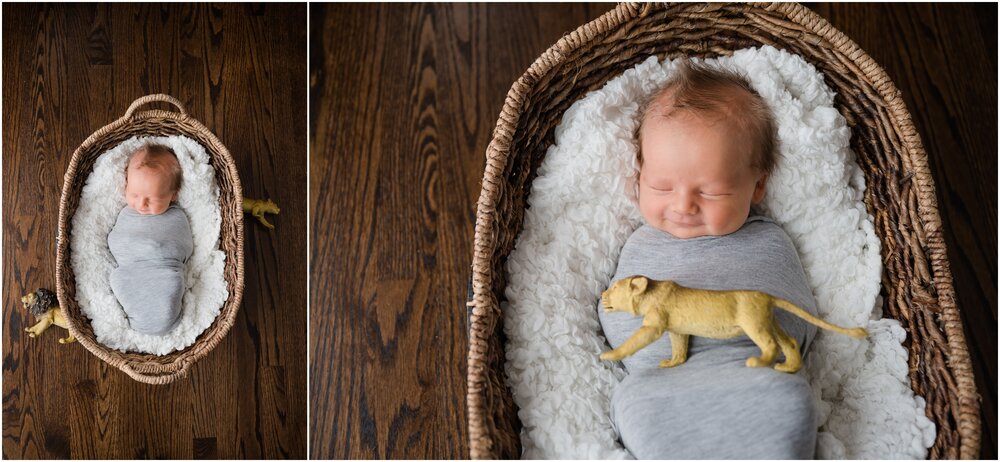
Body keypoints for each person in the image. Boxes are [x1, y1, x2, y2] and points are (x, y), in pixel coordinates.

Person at [598, 60, 819, 459]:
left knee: (789, 399)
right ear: (639, 172)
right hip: (658, 386)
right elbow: (611, 307)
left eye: (712, 192)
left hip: (755, 376)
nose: (683, 205)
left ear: (757, 186)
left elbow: (797, 313)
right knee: (630, 402)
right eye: (661, 186)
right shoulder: (638, 242)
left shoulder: (768, 239)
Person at [108, 143, 193, 336]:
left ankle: (165, 312)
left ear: (173, 195)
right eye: (134, 194)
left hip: (164, 269)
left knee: (171, 281)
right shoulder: (126, 214)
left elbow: (185, 246)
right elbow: (115, 240)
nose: (141, 204)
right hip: (131, 271)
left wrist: (168, 254)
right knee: (119, 280)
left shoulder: (176, 216)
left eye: (152, 199)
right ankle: (139, 312)